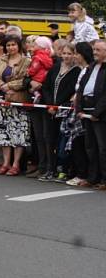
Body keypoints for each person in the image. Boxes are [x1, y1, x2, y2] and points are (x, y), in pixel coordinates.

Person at [0, 34, 31, 176]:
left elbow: (25, 79)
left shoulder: (26, 61)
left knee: (18, 132)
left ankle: (16, 164)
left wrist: (10, 85)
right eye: (8, 45)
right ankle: (6, 163)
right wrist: (2, 86)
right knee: (3, 132)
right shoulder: (2, 59)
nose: (11, 47)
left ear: (19, 46)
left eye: (13, 45)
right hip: (2, 99)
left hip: (18, 100)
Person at [39, 40, 79, 182]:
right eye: (64, 53)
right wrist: (50, 104)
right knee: (48, 138)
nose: (66, 56)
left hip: (64, 110)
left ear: (74, 55)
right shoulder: (55, 67)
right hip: (50, 109)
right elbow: (46, 86)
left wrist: (58, 105)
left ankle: (63, 169)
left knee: (63, 141)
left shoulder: (76, 71)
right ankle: (50, 169)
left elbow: (71, 90)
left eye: (69, 53)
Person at [74, 39, 106, 189]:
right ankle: (92, 177)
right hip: (85, 111)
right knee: (90, 147)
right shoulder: (91, 67)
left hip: (100, 114)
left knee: (102, 148)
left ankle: (104, 179)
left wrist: (97, 112)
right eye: (94, 50)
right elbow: (81, 88)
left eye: (98, 50)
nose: (94, 53)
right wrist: (78, 108)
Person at [65, 42, 93, 186]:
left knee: (81, 143)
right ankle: (80, 173)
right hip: (77, 109)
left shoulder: (88, 69)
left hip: (83, 110)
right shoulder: (81, 69)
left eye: (75, 53)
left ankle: (83, 174)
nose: (74, 56)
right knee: (77, 142)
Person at [27, 36, 54, 103]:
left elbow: (34, 68)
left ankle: (36, 94)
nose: (34, 45)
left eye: (35, 44)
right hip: (44, 76)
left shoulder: (37, 57)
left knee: (31, 86)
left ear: (40, 46)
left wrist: (29, 72)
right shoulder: (48, 56)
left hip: (38, 77)